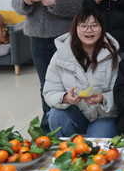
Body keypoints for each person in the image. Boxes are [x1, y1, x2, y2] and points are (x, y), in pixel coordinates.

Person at [11, 0, 83, 133]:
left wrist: (55, 1)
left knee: (68, 84)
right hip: (37, 39)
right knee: (46, 85)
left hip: (64, 39)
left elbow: (78, 5)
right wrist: (24, 2)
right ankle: (48, 126)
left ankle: (68, 122)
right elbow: (15, 2)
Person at [43, 8, 119, 137]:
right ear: (75, 28)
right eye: (83, 26)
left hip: (103, 116)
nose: (89, 30)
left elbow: (119, 94)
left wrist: (103, 99)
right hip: (75, 113)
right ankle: (68, 149)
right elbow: (50, 92)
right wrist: (66, 98)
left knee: (97, 144)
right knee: (56, 115)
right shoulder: (60, 56)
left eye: (94, 25)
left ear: (101, 28)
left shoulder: (112, 56)